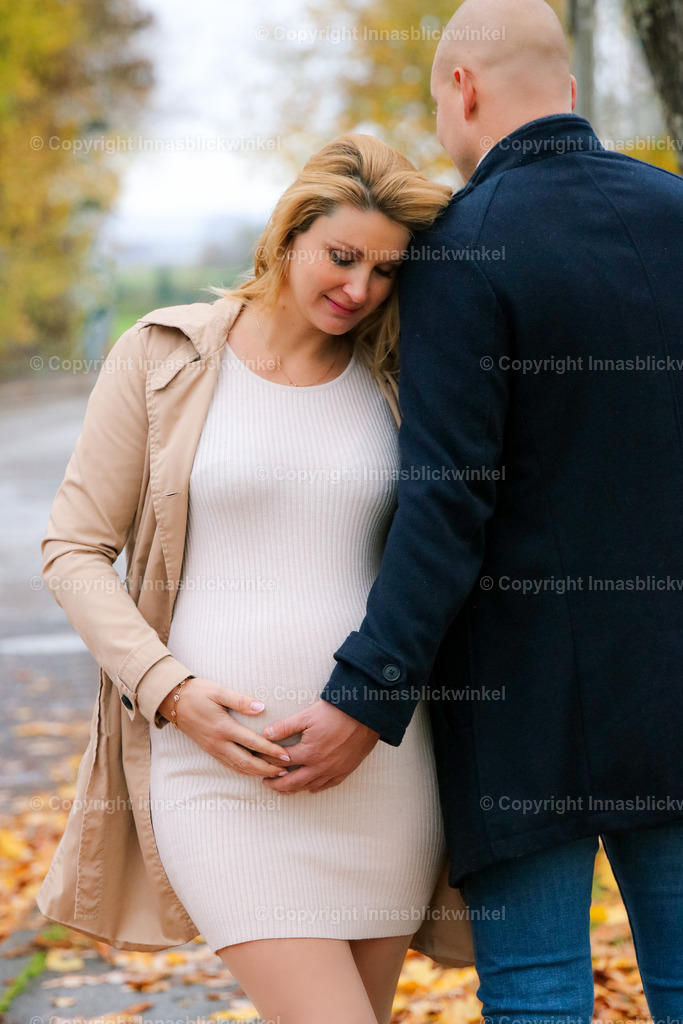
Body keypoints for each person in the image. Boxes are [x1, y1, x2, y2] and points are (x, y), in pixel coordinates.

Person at [261, 0, 683, 1020]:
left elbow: (445, 500)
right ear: (569, 92)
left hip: (520, 704)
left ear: (462, 89)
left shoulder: (461, 246)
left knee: (537, 990)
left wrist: (365, 694)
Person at [36, 134, 460, 1024]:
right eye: (340, 257)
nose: (359, 290)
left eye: (385, 272)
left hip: (378, 768)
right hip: (213, 771)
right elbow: (74, 549)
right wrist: (170, 692)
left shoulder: (400, 378)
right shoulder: (162, 357)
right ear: (286, 234)